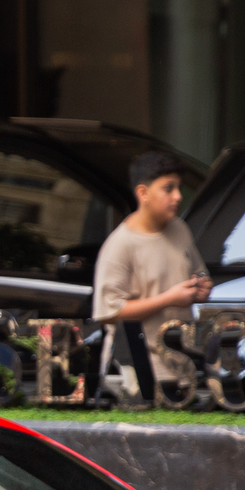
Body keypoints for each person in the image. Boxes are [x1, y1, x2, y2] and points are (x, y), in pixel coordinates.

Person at [93, 151, 210, 396]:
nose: (178, 196)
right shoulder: (120, 244)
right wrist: (169, 299)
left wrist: (201, 288)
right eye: (168, 188)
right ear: (143, 193)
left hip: (183, 368)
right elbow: (109, 312)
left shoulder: (180, 229)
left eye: (178, 187)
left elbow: (199, 274)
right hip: (138, 375)